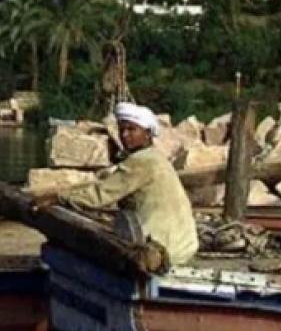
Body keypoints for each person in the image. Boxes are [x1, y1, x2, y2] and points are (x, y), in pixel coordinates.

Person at [40, 102, 199, 267]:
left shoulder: (142, 161)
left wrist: (58, 198)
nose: (125, 135)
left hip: (165, 249)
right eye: (122, 129)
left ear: (147, 133)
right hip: (184, 245)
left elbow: (100, 195)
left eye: (132, 129)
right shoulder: (155, 157)